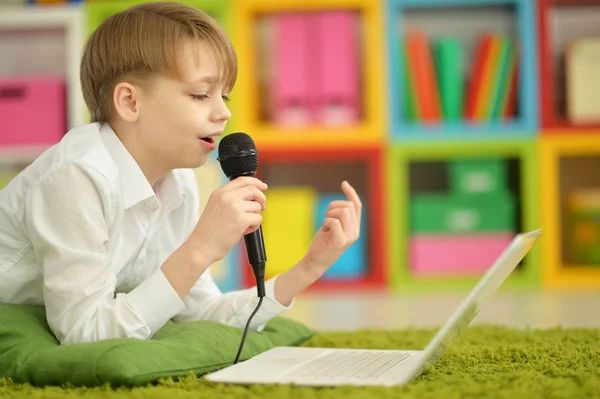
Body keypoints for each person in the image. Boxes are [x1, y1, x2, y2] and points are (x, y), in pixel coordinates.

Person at [0, 2, 362, 345]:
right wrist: (201, 247)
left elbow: (199, 312)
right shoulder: (77, 178)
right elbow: (85, 333)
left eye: (225, 97)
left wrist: (309, 267)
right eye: (201, 94)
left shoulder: (178, 184)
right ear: (130, 102)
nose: (223, 113)